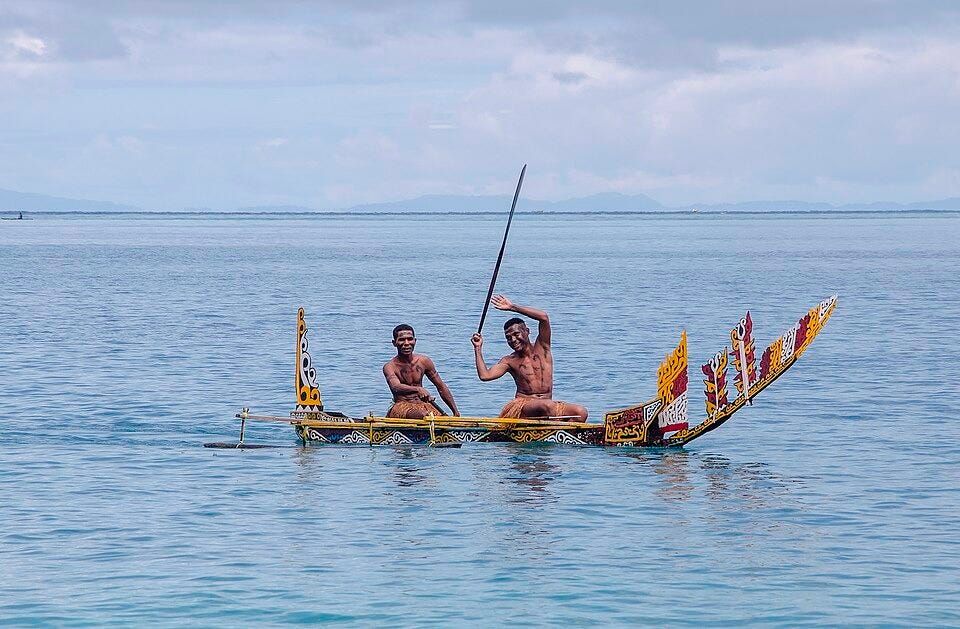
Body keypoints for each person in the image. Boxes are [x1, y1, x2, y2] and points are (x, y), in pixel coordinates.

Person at [471, 294, 588, 421]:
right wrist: (478, 348)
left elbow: (543, 317)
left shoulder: (543, 347)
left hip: (547, 405)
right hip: (524, 406)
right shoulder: (509, 361)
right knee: (547, 406)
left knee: (581, 412)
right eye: (508, 338)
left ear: (527, 331)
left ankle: (563, 435)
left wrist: (512, 307)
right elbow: (485, 376)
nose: (513, 340)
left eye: (516, 334)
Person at [383, 324, 460, 418]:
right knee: (425, 416)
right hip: (402, 407)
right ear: (394, 343)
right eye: (402, 340)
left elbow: (441, 386)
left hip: (423, 405)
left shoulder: (424, 361)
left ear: (415, 341)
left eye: (410, 339)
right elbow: (396, 386)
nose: (406, 343)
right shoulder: (390, 366)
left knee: (439, 417)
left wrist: (455, 412)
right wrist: (418, 389)